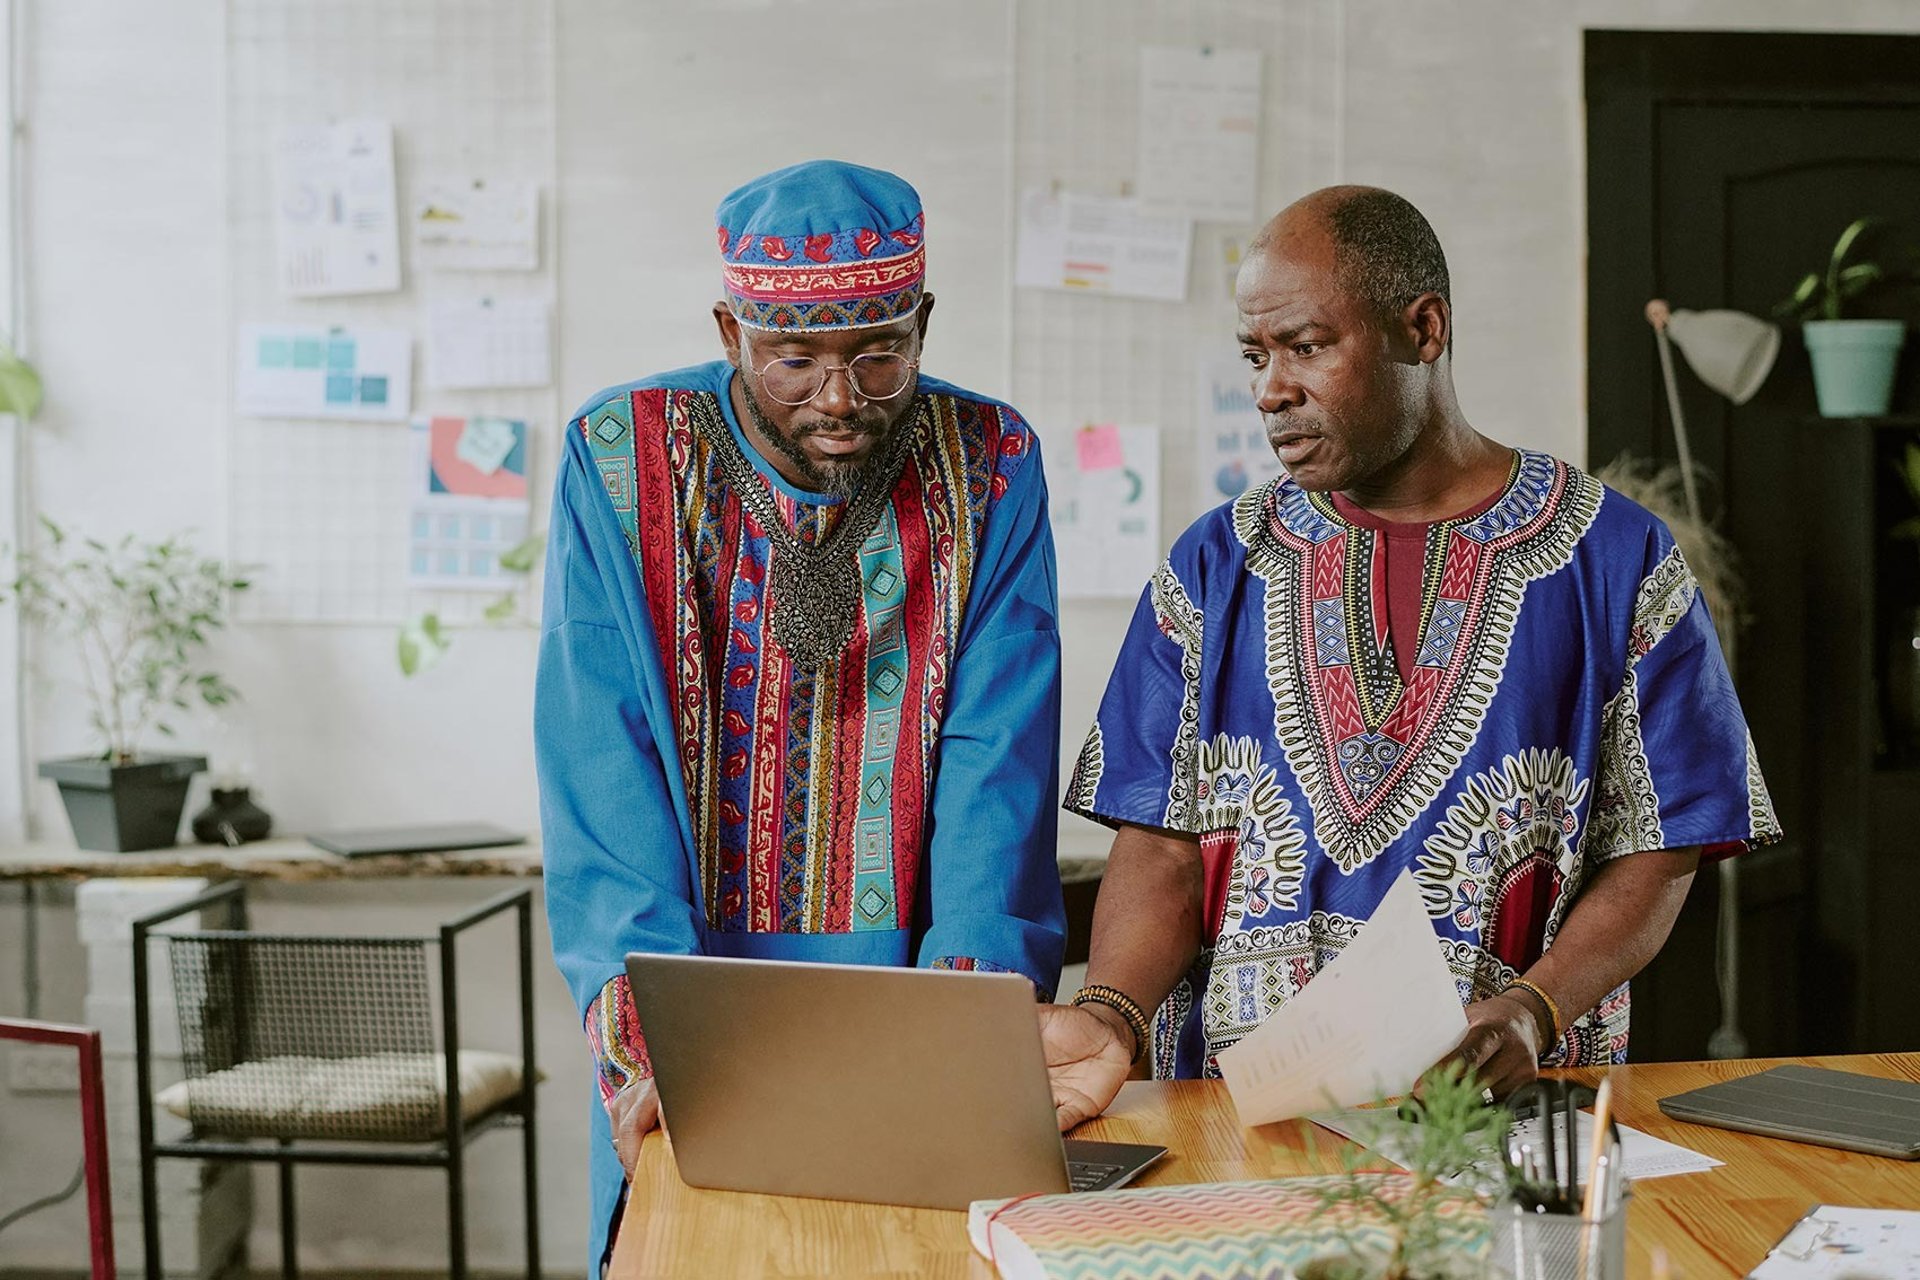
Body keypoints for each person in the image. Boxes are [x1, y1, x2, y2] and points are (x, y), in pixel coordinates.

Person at [1040, 185, 1780, 1129]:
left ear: (1422, 330)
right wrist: (1112, 1016)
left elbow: (1664, 847)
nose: (1270, 388)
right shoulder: (1214, 566)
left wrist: (1533, 1010)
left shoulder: (1614, 558)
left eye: (1306, 346)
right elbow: (1159, 846)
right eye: (1256, 356)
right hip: (1233, 1121)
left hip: (1498, 1111)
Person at [537, 159, 1067, 1267]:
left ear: (924, 320)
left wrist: (959, 1034)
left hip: (919, 1010)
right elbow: (602, 767)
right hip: (688, 1019)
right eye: (797, 358)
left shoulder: (992, 462)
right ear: (731, 329)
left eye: (881, 352)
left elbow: (997, 765)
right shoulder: (617, 459)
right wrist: (664, 1048)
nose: (841, 397)